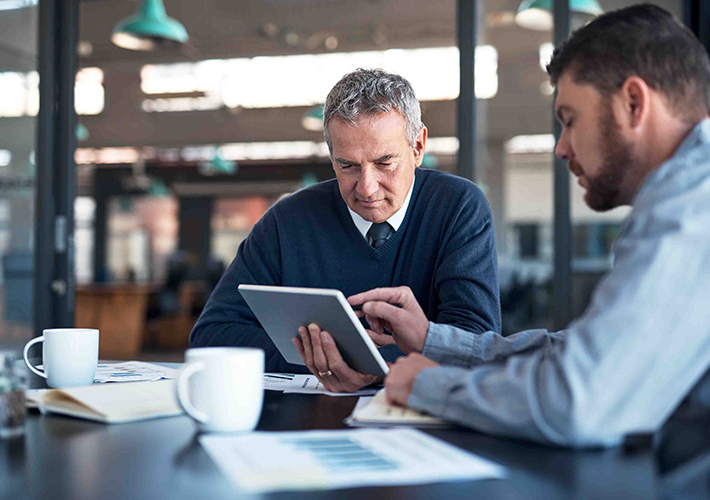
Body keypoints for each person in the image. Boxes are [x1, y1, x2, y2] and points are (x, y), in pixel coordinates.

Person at [333, 4, 710, 447]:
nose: (562, 148)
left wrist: (429, 386)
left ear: (633, 102)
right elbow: (588, 351)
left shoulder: (690, 210)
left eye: (570, 120)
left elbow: (578, 400)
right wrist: (434, 340)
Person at [190, 68, 502, 391]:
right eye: (347, 165)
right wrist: (320, 360)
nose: (366, 188)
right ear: (331, 158)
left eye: (384, 162)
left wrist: (374, 365)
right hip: (306, 421)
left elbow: (475, 342)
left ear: (418, 147)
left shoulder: (458, 208)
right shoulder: (286, 222)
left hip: (419, 421)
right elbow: (211, 335)